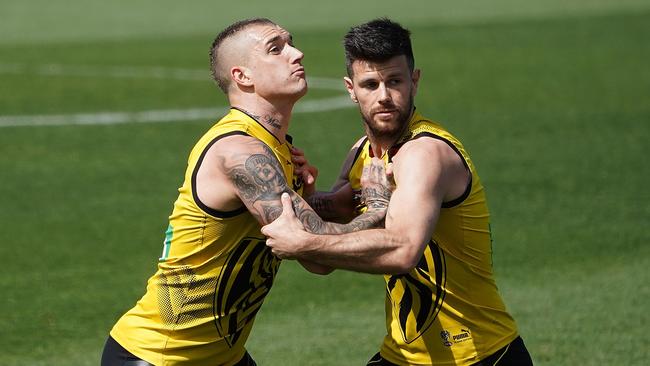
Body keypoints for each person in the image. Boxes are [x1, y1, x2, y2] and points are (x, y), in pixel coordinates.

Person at [101, 18, 393, 366]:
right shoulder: (242, 153)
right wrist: (377, 207)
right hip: (161, 356)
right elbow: (318, 252)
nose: (297, 54)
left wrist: (328, 201)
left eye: (291, 43)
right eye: (276, 48)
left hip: (224, 355)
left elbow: (307, 250)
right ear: (243, 76)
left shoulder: (275, 147)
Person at [262, 18, 533, 365]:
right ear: (350, 88)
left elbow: (403, 250)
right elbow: (323, 258)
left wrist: (303, 241)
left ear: (414, 81)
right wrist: (306, 195)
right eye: (370, 84)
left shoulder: (425, 154)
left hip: (478, 354)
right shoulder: (363, 152)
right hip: (404, 355)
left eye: (395, 81)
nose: (384, 96)